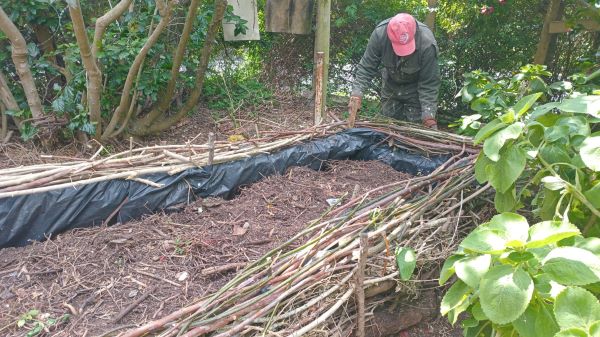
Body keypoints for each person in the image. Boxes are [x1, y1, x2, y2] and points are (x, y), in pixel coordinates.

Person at [349, 13, 440, 129]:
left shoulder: (427, 44)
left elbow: (429, 82)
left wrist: (428, 115)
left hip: (415, 91)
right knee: (387, 129)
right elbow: (367, 67)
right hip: (390, 87)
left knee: (414, 133)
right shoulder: (380, 34)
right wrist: (357, 94)